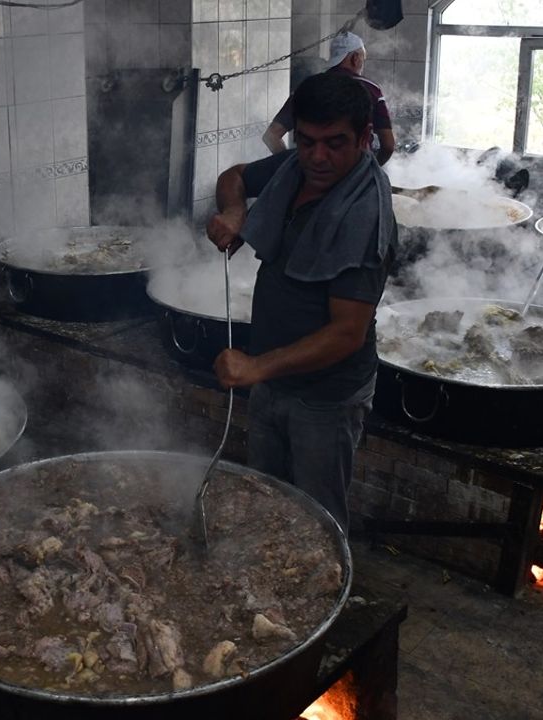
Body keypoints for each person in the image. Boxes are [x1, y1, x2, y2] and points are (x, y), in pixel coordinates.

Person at [206, 72, 396, 533]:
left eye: (335, 143)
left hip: (325, 397)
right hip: (273, 375)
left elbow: (346, 334)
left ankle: (326, 597)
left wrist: (255, 369)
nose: (318, 157)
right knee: (266, 498)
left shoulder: (364, 215)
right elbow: (233, 177)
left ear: (365, 138)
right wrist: (236, 210)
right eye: (307, 141)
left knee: (317, 518)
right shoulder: (294, 168)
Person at [262, 32, 396, 166]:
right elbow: (388, 145)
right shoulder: (371, 89)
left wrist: (291, 167)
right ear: (355, 58)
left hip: (314, 175)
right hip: (355, 176)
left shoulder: (307, 87)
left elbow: (271, 135)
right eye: (363, 58)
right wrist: (372, 169)